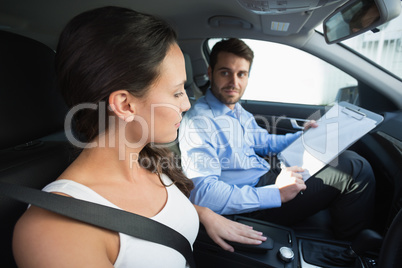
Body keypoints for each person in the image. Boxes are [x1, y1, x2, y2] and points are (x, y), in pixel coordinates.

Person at [12, 8, 266, 268]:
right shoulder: (55, 232)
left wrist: (202, 214)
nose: (187, 105)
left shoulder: (147, 158)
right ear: (125, 105)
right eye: (177, 92)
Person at [179, 38, 376, 241]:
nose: (234, 83)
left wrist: (305, 135)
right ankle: (353, 251)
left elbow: (264, 142)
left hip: (267, 177)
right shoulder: (200, 122)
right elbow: (204, 194)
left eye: (241, 74)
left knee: (342, 155)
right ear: (211, 73)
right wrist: (276, 193)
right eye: (225, 72)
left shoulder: (236, 110)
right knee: (355, 167)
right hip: (253, 204)